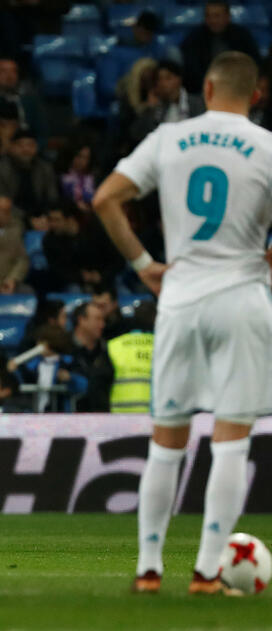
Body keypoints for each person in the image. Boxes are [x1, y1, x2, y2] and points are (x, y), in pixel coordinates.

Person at [92, 51, 272, 594]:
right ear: (256, 96)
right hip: (242, 296)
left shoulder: (170, 137)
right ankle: (207, 572)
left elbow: (105, 199)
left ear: (208, 90)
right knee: (230, 443)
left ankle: (149, 571)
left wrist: (145, 266)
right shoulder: (267, 146)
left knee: (167, 443)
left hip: (179, 297)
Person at [180, 2, 260, 95]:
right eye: (208, 16)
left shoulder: (242, 36)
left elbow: (253, 62)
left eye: (216, 16)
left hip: (238, 85)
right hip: (204, 88)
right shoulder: (194, 37)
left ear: (227, 17)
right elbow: (192, 69)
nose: (212, 20)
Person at [0, 128, 58, 223]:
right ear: (11, 147)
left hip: (42, 219)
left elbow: (52, 198)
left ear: (36, 147)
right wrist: (28, 219)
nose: (26, 149)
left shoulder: (45, 168)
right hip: (9, 218)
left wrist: (45, 218)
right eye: (20, 145)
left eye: (30, 145)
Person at [129, 60, 204, 145]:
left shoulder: (197, 103)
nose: (163, 83)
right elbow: (136, 135)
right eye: (159, 79)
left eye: (168, 78)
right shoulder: (157, 107)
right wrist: (150, 110)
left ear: (179, 79)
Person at [107, 301, 155, 414]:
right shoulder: (165, 345)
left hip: (120, 420)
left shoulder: (114, 345)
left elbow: (99, 385)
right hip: (159, 419)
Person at [70, 302, 114, 413]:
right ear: (81, 320)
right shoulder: (64, 347)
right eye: (97, 319)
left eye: (103, 320)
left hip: (102, 414)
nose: (102, 325)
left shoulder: (108, 350)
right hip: (70, 417)